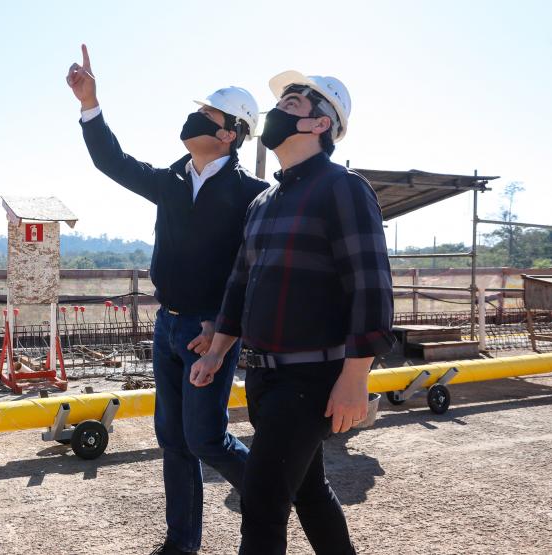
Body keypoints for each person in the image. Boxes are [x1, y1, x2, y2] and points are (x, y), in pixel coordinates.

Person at [66, 44, 268, 554]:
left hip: (209, 331)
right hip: (168, 327)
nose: (193, 118)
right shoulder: (172, 183)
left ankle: (268, 493)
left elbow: (254, 276)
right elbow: (112, 161)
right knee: (173, 443)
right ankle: (182, 544)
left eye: (207, 114)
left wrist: (223, 331)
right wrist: (90, 103)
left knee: (205, 439)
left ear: (230, 133)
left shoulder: (253, 195)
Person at [191, 70, 395, 554]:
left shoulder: (343, 188)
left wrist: (354, 379)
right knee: (308, 491)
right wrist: (217, 352)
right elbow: (241, 283)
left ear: (320, 125)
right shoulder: (263, 201)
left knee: (261, 506)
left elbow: (372, 288)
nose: (279, 108)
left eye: (294, 102)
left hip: (312, 380)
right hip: (264, 378)